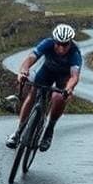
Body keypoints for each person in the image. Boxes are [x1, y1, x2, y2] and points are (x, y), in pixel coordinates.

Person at [5, 23, 82, 152]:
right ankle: (18, 132)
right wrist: (23, 71)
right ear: (54, 41)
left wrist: (68, 89)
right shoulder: (47, 43)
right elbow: (30, 58)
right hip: (47, 71)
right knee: (32, 94)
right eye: (58, 44)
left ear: (70, 42)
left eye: (65, 45)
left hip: (64, 77)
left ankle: (49, 130)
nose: (61, 48)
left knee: (59, 97)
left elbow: (74, 76)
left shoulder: (75, 52)